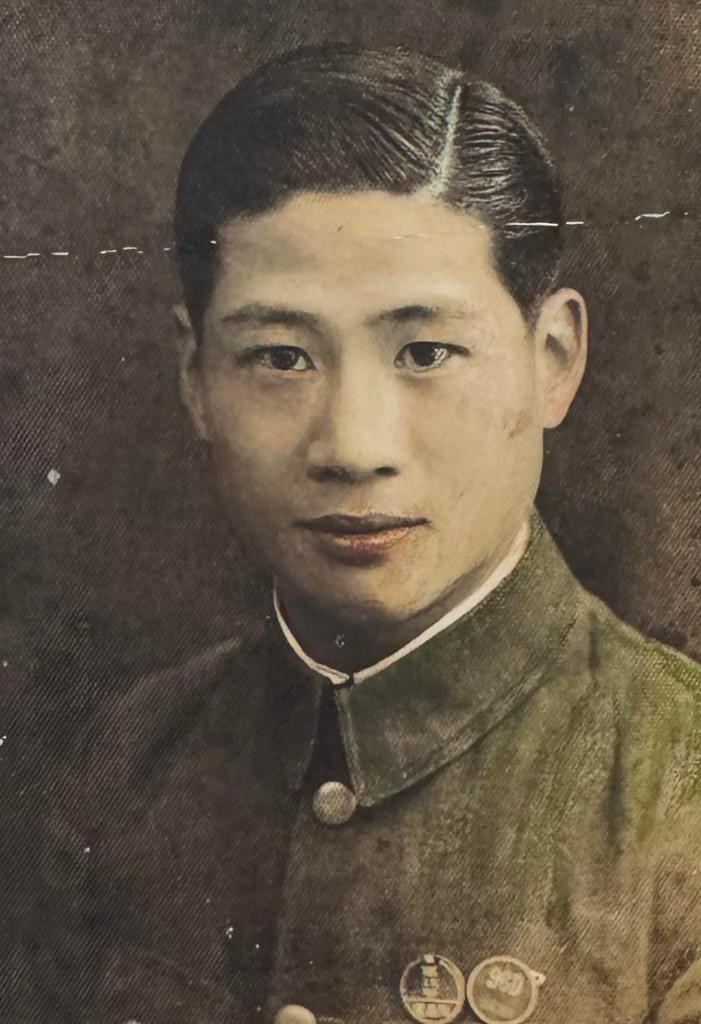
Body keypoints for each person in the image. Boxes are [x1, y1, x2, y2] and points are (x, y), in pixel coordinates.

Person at [22, 44, 701, 1024]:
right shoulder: (124, 765)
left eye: (424, 351)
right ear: (195, 378)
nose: (352, 446)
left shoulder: (677, 790)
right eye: (280, 357)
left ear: (551, 359)